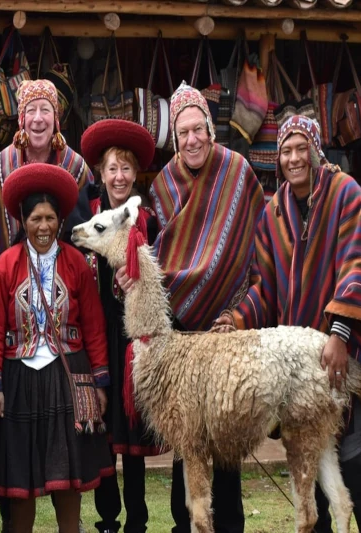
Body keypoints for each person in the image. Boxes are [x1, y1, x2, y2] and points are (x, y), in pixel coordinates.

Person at [216, 115, 361, 532]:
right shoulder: (272, 214)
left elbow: (354, 263)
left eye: (300, 149)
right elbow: (264, 289)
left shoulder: (346, 193)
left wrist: (340, 334)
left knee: (350, 454)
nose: (294, 158)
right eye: (286, 151)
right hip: (295, 365)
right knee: (306, 459)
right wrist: (234, 320)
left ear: (315, 150)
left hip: (339, 352)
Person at [137, 82, 265, 533]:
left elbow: (256, 257)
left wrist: (237, 315)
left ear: (211, 130)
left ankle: (229, 524)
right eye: (183, 132)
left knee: (225, 434)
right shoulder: (163, 184)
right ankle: (184, 524)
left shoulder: (238, 172)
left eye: (199, 129)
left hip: (226, 330)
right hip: (181, 335)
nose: (192, 139)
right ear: (174, 137)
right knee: (185, 438)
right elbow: (161, 257)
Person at [0, 163, 114, 533]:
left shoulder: (76, 264)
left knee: (68, 477)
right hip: (19, 379)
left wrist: (100, 382)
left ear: (60, 221)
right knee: (22, 482)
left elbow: (93, 325)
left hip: (67, 378)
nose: (43, 227)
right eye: (35, 219)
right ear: (23, 221)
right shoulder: (5, 267)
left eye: (50, 219)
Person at [80, 119, 163, 533]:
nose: (119, 176)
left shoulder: (146, 222)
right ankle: (108, 518)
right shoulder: (88, 219)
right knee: (103, 431)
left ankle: (137, 519)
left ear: (135, 175)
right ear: (100, 172)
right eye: (112, 168)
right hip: (100, 335)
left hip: (133, 337)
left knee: (129, 433)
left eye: (126, 169)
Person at [0, 79, 93, 253]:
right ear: (22, 119)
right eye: (31, 110)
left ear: (56, 118)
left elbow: (89, 230)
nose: (38, 118)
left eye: (45, 110)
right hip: (8, 275)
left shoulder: (76, 167)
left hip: (63, 274)